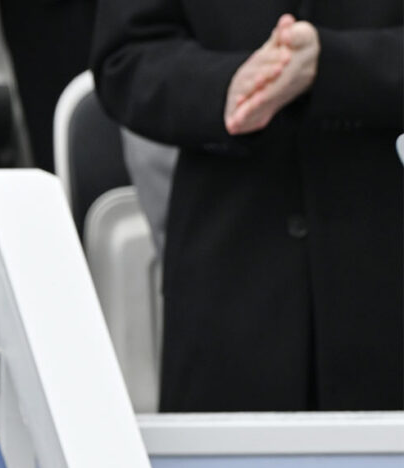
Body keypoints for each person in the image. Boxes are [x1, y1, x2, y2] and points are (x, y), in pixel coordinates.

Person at [92, 1, 403, 411]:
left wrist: (335, 64)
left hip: (383, 277)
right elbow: (126, 56)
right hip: (228, 282)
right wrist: (226, 85)